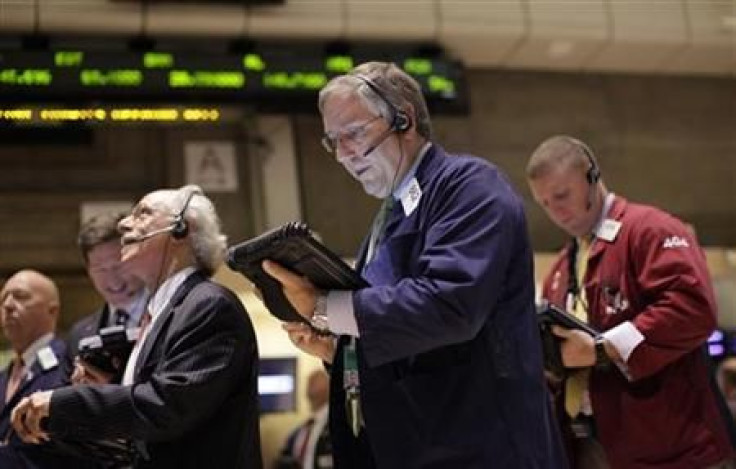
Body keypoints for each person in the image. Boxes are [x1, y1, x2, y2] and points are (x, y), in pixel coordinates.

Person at [262, 61, 566, 468]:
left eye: (354, 134)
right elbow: (407, 339)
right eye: (334, 142)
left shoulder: (470, 186)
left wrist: (324, 306)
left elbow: (449, 305)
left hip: (483, 446)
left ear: (403, 118)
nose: (344, 156)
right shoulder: (388, 218)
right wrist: (340, 348)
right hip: (422, 445)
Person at [11, 185, 263, 468]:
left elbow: (165, 407)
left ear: (182, 228)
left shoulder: (210, 305)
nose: (124, 224)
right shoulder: (165, 310)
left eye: (143, 213)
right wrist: (103, 393)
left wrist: (63, 403)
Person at [526, 135, 735, 469]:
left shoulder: (649, 230)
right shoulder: (560, 269)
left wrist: (600, 348)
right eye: (545, 203)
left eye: (562, 195)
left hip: (673, 448)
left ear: (592, 176)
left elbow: (692, 308)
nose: (556, 212)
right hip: (594, 444)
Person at [0, 269, 98, 468]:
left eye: (20, 296)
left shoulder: (71, 366)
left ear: (52, 310)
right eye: (3, 299)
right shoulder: (3, 375)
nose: (8, 305)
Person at [61, 211, 147, 383]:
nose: (113, 281)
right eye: (100, 269)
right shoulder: (78, 335)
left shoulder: (168, 316)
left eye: (119, 266)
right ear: (88, 271)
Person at [275, 369, 332, 469]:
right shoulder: (302, 430)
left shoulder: (336, 426)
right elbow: (283, 459)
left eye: (313, 385)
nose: (307, 391)